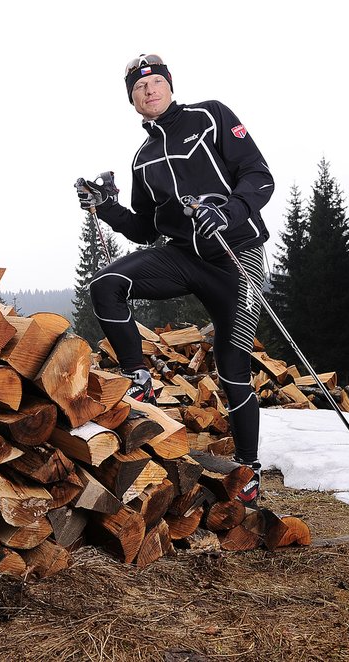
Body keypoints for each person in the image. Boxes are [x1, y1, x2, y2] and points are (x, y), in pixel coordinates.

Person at [75, 53, 274, 504]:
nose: (149, 90)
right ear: (132, 100)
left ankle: (249, 469)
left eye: (155, 82)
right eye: (139, 88)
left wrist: (228, 212)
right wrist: (106, 207)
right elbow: (148, 228)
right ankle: (137, 377)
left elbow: (259, 176)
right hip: (183, 256)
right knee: (106, 285)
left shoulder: (211, 115)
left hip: (236, 258)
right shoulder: (143, 158)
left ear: (168, 84)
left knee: (233, 371)